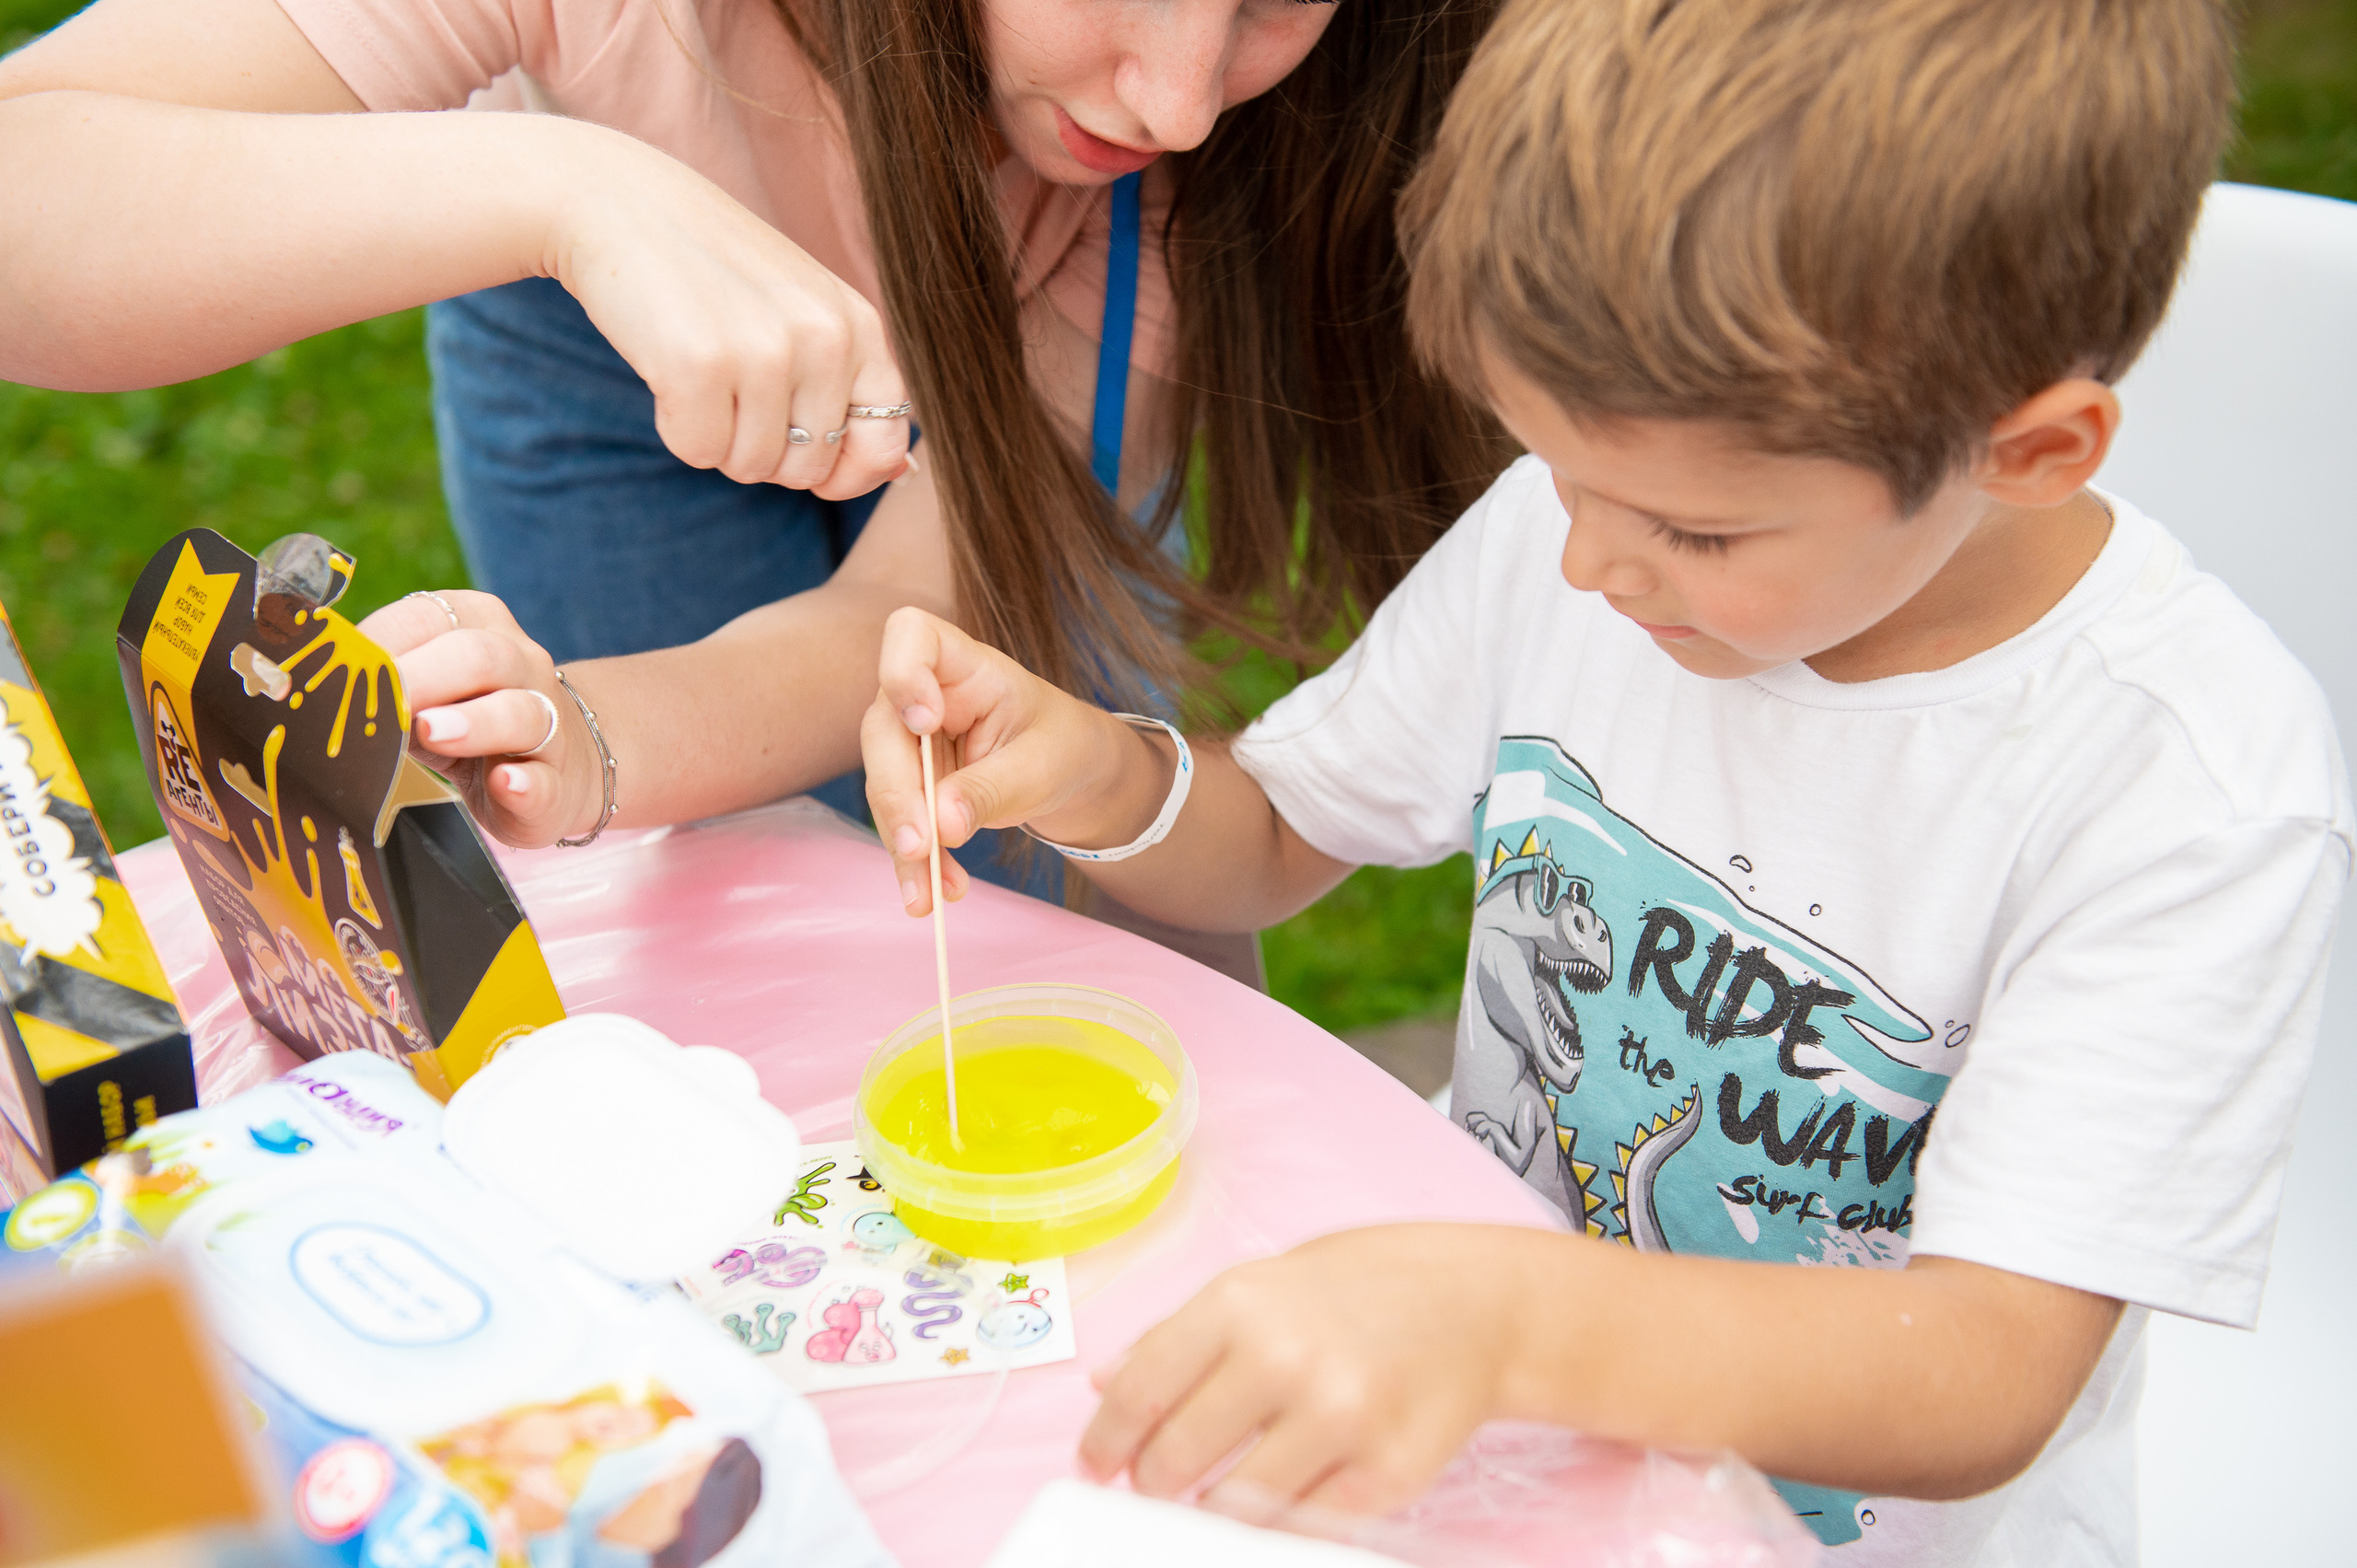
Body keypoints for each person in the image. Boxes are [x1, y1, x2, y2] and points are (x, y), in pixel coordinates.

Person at [857, 0, 2354, 1556]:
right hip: (1462, 1434)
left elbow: (1985, 1371)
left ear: (2031, 452)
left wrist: (1506, 1320)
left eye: (1698, 531)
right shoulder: (1580, 543)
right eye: (1559, 474)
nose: (1587, 559)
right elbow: (1290, 828)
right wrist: (1093, 773)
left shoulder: (2187, 791)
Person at [0, 0, 1511, 937]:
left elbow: (917, 627)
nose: (1180, 94)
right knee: (728, 891)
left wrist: (592, 728)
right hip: (584, 321)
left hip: (1050, 357)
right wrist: (565, 193)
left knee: (1041, 880)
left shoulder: (1192, 169)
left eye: (1269, 1)